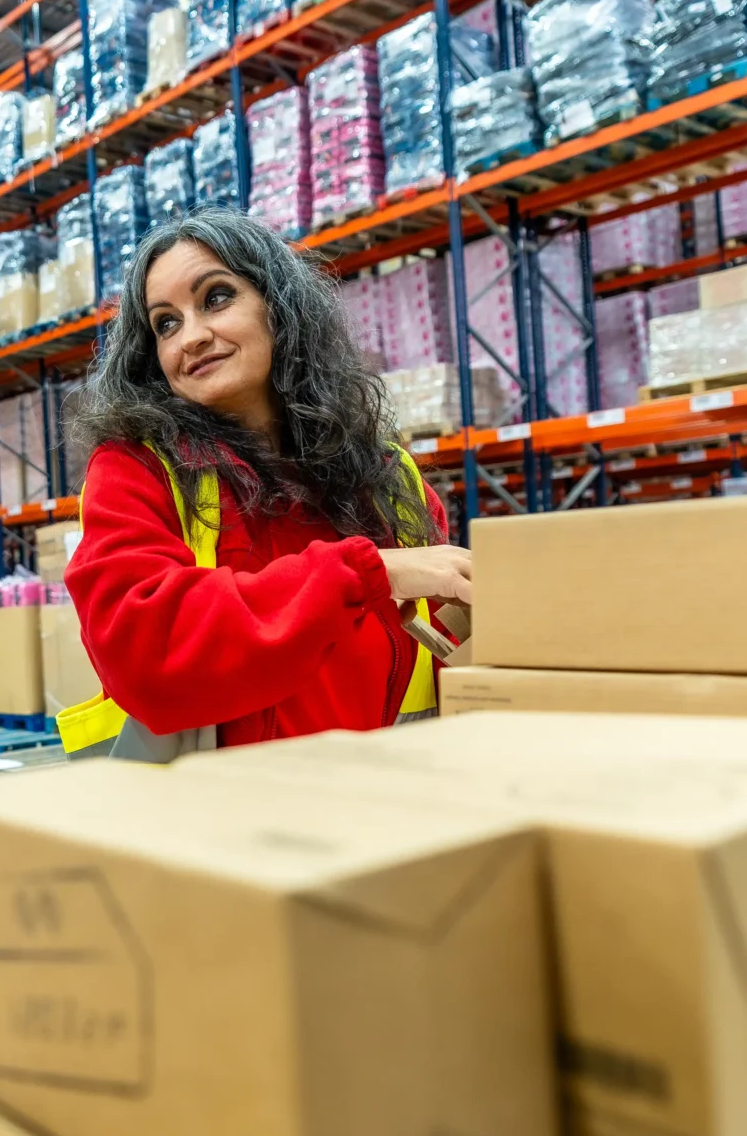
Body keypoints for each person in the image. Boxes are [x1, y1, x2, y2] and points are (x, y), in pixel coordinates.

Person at [59, 208, 472, 758]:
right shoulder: (136, 470)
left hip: (376, 810)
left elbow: (448, 663)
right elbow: (145, 650)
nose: (193, 337)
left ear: (279, 307)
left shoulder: (388, 477)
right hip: (208, 824)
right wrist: (367, 573)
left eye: (216, 297)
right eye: (166, 323)